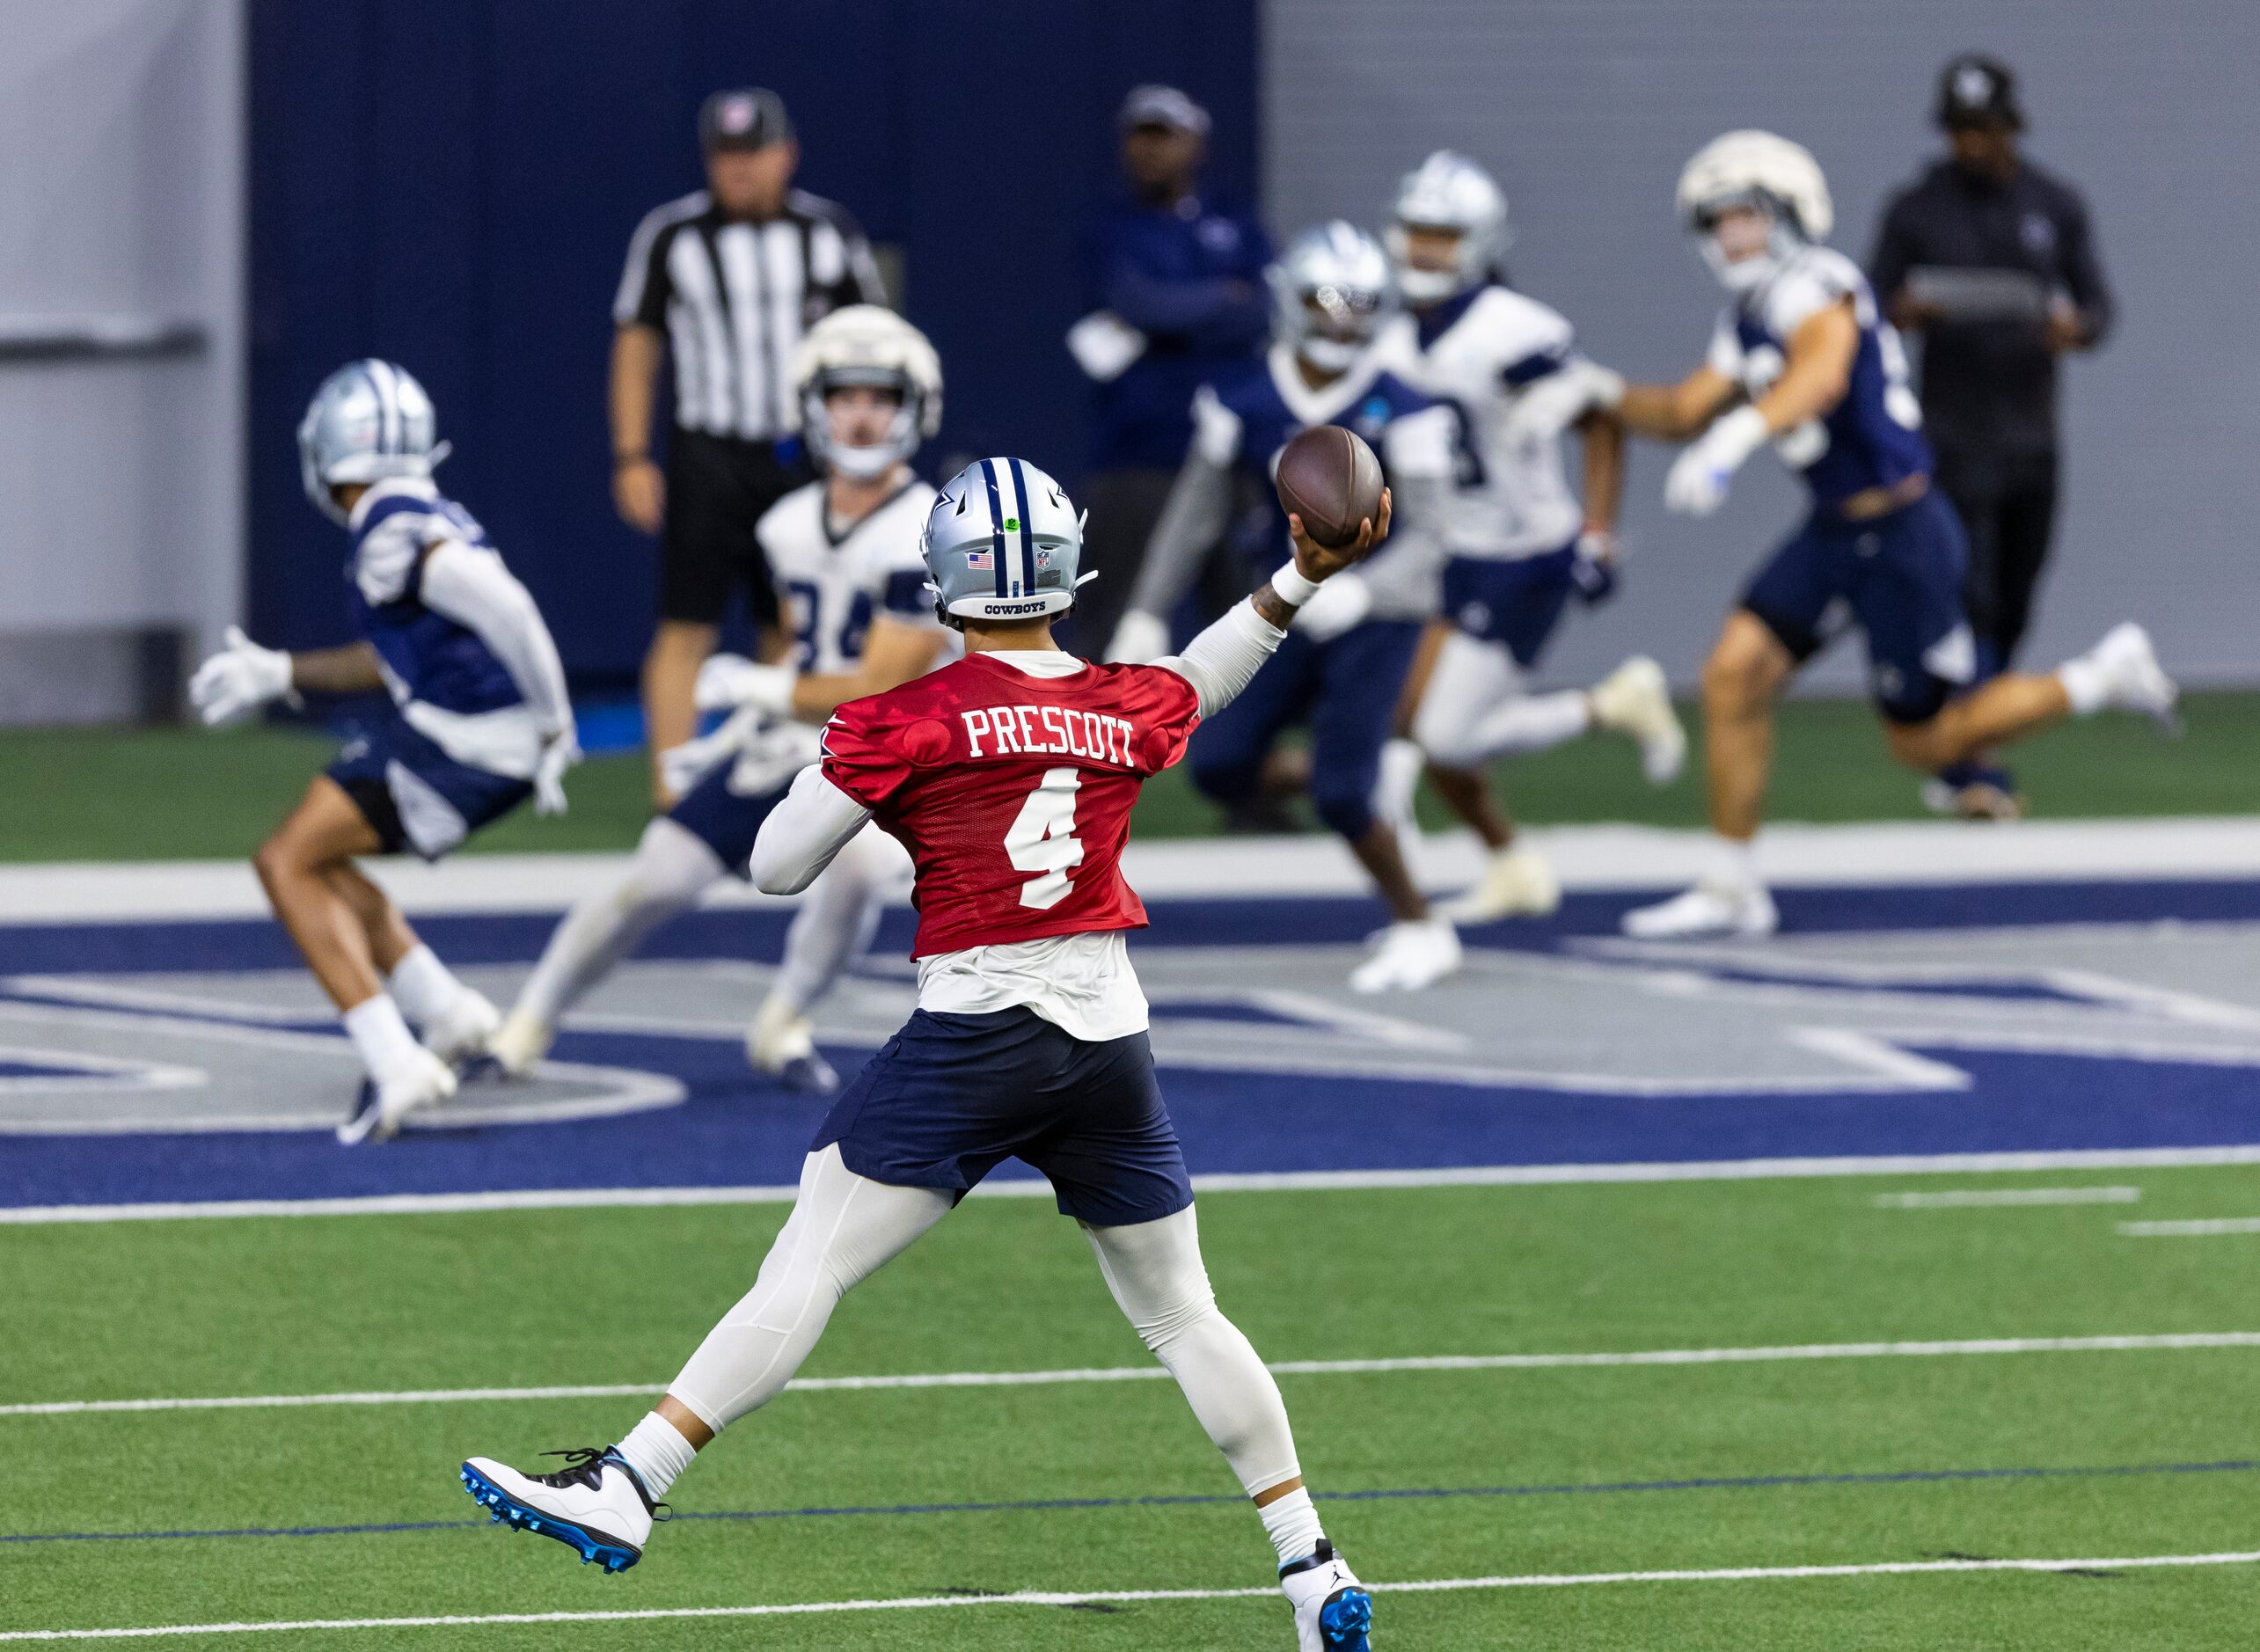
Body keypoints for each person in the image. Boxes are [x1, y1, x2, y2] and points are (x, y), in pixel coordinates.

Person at [462, 458, 1384, 1652]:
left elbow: (775, 865)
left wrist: (834, 755)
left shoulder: (908, 717)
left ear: (943, 579)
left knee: (814, 1254)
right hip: (1108, 1036)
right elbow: (1197, 681)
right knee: (1183, 1314)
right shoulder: (1117, 699)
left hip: (980, 1028)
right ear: (1067, 570)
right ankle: (1311, 1564)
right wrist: (1295, 579)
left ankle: (631, 1482)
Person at [1587, 131, 2175, 940]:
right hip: (1834, 533)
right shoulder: (1752, 311)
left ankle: (2105, 676)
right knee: (1732, 676)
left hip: (1902, 536)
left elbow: (1820, 374)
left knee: (1927, 742)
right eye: (1717, 223)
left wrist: (1736, 438)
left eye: (1746, 217)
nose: (1731, 238)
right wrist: (1594, 391)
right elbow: (1684, 408)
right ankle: (1730, 886)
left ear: (1792, 214)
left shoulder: (1819, 283)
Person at [491, 309, 952, 1093]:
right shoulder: (785, 524)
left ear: (916, 408)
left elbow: (881, 690)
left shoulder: (927, 525)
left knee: (858, 866)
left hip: (890, 752)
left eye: (882, 396)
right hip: (798, 736)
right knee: (657, 876)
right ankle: (525, 1023)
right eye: (845, 395)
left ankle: (784, 1023)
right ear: (813, 403)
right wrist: (749, 719)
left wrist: (763, 688)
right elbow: (808, 648)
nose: (864, 415)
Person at [187, 362, 577, 1143]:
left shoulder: (393, 527)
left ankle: (394, 1060)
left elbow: (508, 606)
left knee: (286, 862)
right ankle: (446, 1011)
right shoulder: (418, 511)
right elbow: (392, 654)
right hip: (453, 733)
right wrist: (281, 672)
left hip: (464, 745)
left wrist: (553, 725)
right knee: (319, 856)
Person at [1109, 222, 1461, 991]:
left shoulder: (1404, 403)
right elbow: (1194, 515)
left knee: (1341, 795)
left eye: (1359, 307)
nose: (1341, 323)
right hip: (1289, 601)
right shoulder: (1244, 395)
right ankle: (1365, 771)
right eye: (1326, 303)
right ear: (1289, 303)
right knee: (1221, 766)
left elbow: (1432, 538)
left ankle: (1419, 922)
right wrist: (1144, 609)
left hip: (1376, 615)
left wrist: (1365, 587)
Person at [1380, 150, 1686, 922]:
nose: (1424, 248)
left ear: (1479, 243)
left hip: (1524, 557)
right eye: (1417, 229)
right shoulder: (1392, 335)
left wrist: (1595, 534)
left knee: (1443, 735)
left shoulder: (1513, 332)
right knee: (1410, 721)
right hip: (1452, 551)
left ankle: (1612, 705)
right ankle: (1510, 863)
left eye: (1442, 235)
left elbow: (1601, 419)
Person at [612, 87, 888, 806]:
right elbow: (636, 344)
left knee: (792, 621)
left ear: (785, 154)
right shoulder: (672, 236)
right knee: (684, 625)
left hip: (801, 459)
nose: (738, 171)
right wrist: (630, 453)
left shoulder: (827, 234)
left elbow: (872, 346)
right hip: (707, 452)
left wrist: (868, 458)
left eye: (752, 154)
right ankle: (670, 799)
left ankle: (784, 783)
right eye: (725, 156)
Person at [1870, 55, 2116, 819]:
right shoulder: (1915, 210)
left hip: (2030, 436)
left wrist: (2071, 329)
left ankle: (1976, 732)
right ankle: (1972, 762)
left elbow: (2099, 308)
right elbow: (1866, 304)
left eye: (1983, 129)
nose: (1970, 144)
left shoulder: (2054, 205)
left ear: (2010, 127)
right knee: (1966, 597)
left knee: (2012, 600)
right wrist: (1905, 311)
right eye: (1957, 130)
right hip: (1949, 435)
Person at [1068, 84, 1273, 658]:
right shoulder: (1112, 229)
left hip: (1230, 449)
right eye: (1140, 136)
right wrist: (1219, 297)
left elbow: (1262, 309)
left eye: (1165, 136)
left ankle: (1243, 745)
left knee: (1245, 615)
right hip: (1137, 451)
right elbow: (1139, 303)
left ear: (1196, 144)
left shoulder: (1235, 221)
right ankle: (1096, 738)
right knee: (1113, 610)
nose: (1150, 150)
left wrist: (1183, 312)